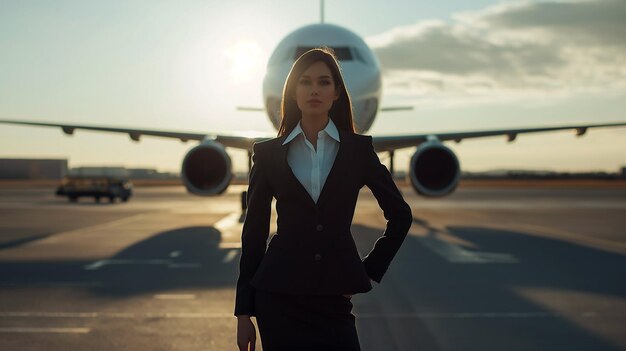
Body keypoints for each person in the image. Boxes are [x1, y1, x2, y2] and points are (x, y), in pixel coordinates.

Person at [235, 47, 413, 351]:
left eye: (323, 82)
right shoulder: (267, 155)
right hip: (277, 299)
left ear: (336, 93)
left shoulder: (358, 151)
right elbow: (253, 234)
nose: (313, 90)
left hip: (334, 299)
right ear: (292, 92)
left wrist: (366, 272)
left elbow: (400, 215)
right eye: (304, 82)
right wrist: (243, 312)